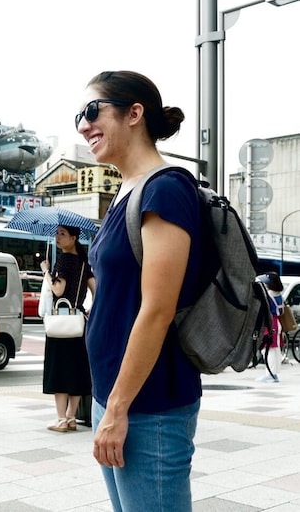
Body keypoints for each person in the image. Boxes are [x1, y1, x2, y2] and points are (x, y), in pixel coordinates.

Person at [78, 70, 202, 511]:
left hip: (148, 407)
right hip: (113, 398)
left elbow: (157, 310)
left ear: (135, 114)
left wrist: (117, 408)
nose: (83, 125)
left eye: (92, 111)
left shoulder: (165, 190)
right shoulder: (125, 193)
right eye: (79, 115)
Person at [40, 225, 95, 433]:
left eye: (62, 234)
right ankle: (71, 417)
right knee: (77, 369)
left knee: (59, 369)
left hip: (61, 322)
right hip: (79, 321)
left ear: (73, 238)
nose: (57, 237)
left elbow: (58, 288)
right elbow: (95, 289)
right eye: (56, 233)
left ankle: (61, 419)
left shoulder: (63, 260)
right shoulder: (83, 262)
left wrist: (46, 270)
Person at [256, 271, 284, 383]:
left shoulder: (269, 294)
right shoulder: (278, 294)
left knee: (268, 350)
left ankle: (270, 374)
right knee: (275, 350)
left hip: (270, 323)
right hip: (277, 323)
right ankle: (274, 373)